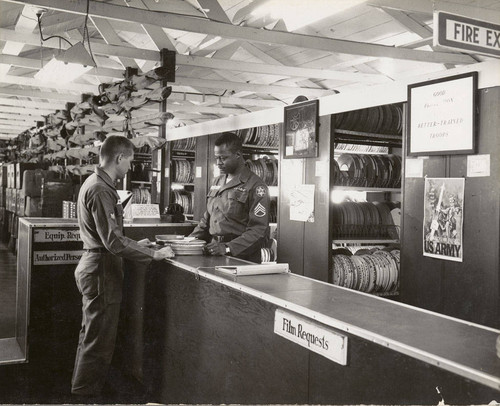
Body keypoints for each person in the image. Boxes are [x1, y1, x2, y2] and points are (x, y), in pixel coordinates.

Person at [71, 135, 174, 397]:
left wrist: (137, 243)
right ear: (119, 158)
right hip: (101, 269)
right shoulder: (101, 189)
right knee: (98, 341)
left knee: (93, 335)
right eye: (129, 160)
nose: (130, 166)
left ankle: (83, 390)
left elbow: (109, 236)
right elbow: (113, 242)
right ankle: (85, 396)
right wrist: (153, 255)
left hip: (98, 264)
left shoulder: (95, 183)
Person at [190, 132, 270, 263]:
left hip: (241, 257)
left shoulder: (256, 186)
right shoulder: (217, 182)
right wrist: (188, 243)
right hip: (214, 252)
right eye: (216, 158)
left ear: (238, 155)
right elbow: (207, 219)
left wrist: (227, 248)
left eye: (223, 158)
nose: (218, 163)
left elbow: (258, 230)